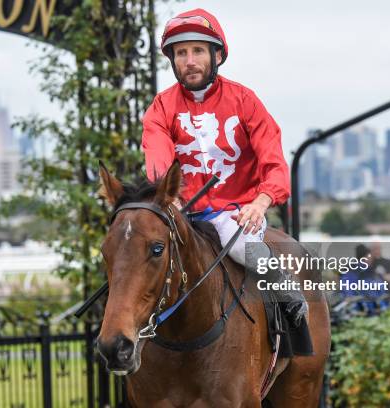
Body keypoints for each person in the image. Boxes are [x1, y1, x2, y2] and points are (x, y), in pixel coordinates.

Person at [141, 8, 310, 352]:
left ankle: (288, 297)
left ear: (217, 55)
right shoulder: (161, 107)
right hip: (184, 215)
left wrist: (261, 202)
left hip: (235, 215)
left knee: (238, 245)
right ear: (173, 60)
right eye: (181, 52)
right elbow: (157, 156)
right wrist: (167, 195)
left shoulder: (245, 101)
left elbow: (275, 163)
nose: (189, 60)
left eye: (198, 51)